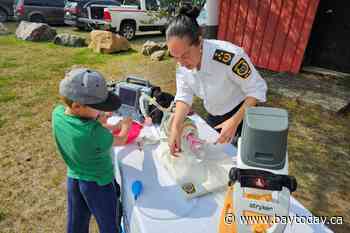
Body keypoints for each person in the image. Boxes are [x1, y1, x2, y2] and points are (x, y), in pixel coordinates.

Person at [166, 6, 267, 155]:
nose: (180, 62)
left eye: (185, 55)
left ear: (199, 42)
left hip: (242, 114)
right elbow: (184, 95)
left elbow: (257, 89)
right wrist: (175, 126)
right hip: (214, 115)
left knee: (242, 158)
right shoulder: (182, 64)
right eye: (175, 57)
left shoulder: (229, 56)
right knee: (216, 156)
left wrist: (234, 121)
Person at [52, 68, 132, 233]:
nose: (102, 111)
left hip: (73, 178)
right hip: (99, 185)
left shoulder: (57, 114)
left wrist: (105, 122)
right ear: (77, 105)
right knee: (109, 223)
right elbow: (122, 139)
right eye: (98, 107)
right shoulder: (95, 133)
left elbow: (82, 123)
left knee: (76, 222)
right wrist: (125, 126)